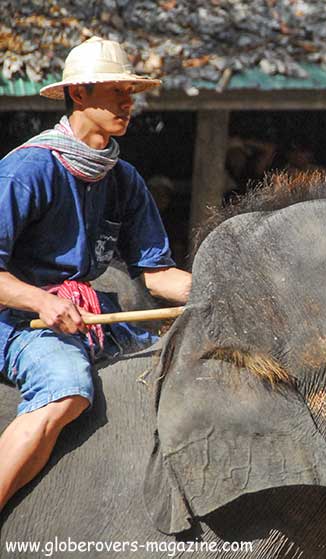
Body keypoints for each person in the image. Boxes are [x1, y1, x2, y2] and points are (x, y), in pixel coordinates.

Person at [0, 37, 192, 513]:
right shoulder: (27, 169)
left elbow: (158, 274)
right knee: (67, 388)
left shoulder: (124, 179)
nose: (129, 101)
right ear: (79, 95)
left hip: (88, 316)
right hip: (18, 320)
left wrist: (223, 290)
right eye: (116, 91)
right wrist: (43, 302)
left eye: (131, 91)